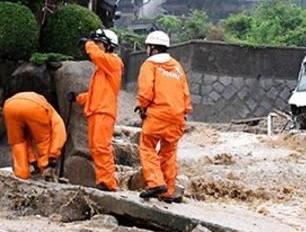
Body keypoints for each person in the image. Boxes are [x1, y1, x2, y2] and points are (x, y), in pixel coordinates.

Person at [135, 30, 191, 202]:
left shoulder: (149, 65)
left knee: (147, 147)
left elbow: (146, 91)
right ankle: (168, 191)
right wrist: (184, 112)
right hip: (177, 116)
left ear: (152, 47)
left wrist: (142, 106)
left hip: (157, 114)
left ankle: (155, 183)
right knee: (169, 152)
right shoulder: (177, 66)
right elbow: (185, 93)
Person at [71, 28, 123, 191]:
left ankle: (108, 182)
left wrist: (88, 44)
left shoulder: (113, 62)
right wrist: (78, 98)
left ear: (108, 45)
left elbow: (97, 56)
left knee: (101, 147)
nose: (96, 46)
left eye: (99, 43)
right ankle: (103, 180)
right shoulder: (103, 68)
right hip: (98, 111)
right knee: (96, 147)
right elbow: (95, 94)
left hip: (104, 112)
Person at [3, 91, 67, 181]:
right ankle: (46, 169)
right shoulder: (53, 115)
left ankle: (21, 173)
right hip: (34, 105)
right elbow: (60, 133)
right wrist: (52, 156)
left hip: (9, 106)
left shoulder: (28, 126)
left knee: (17, 142)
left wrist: (33, 161)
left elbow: (26, 141)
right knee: (43, 140)